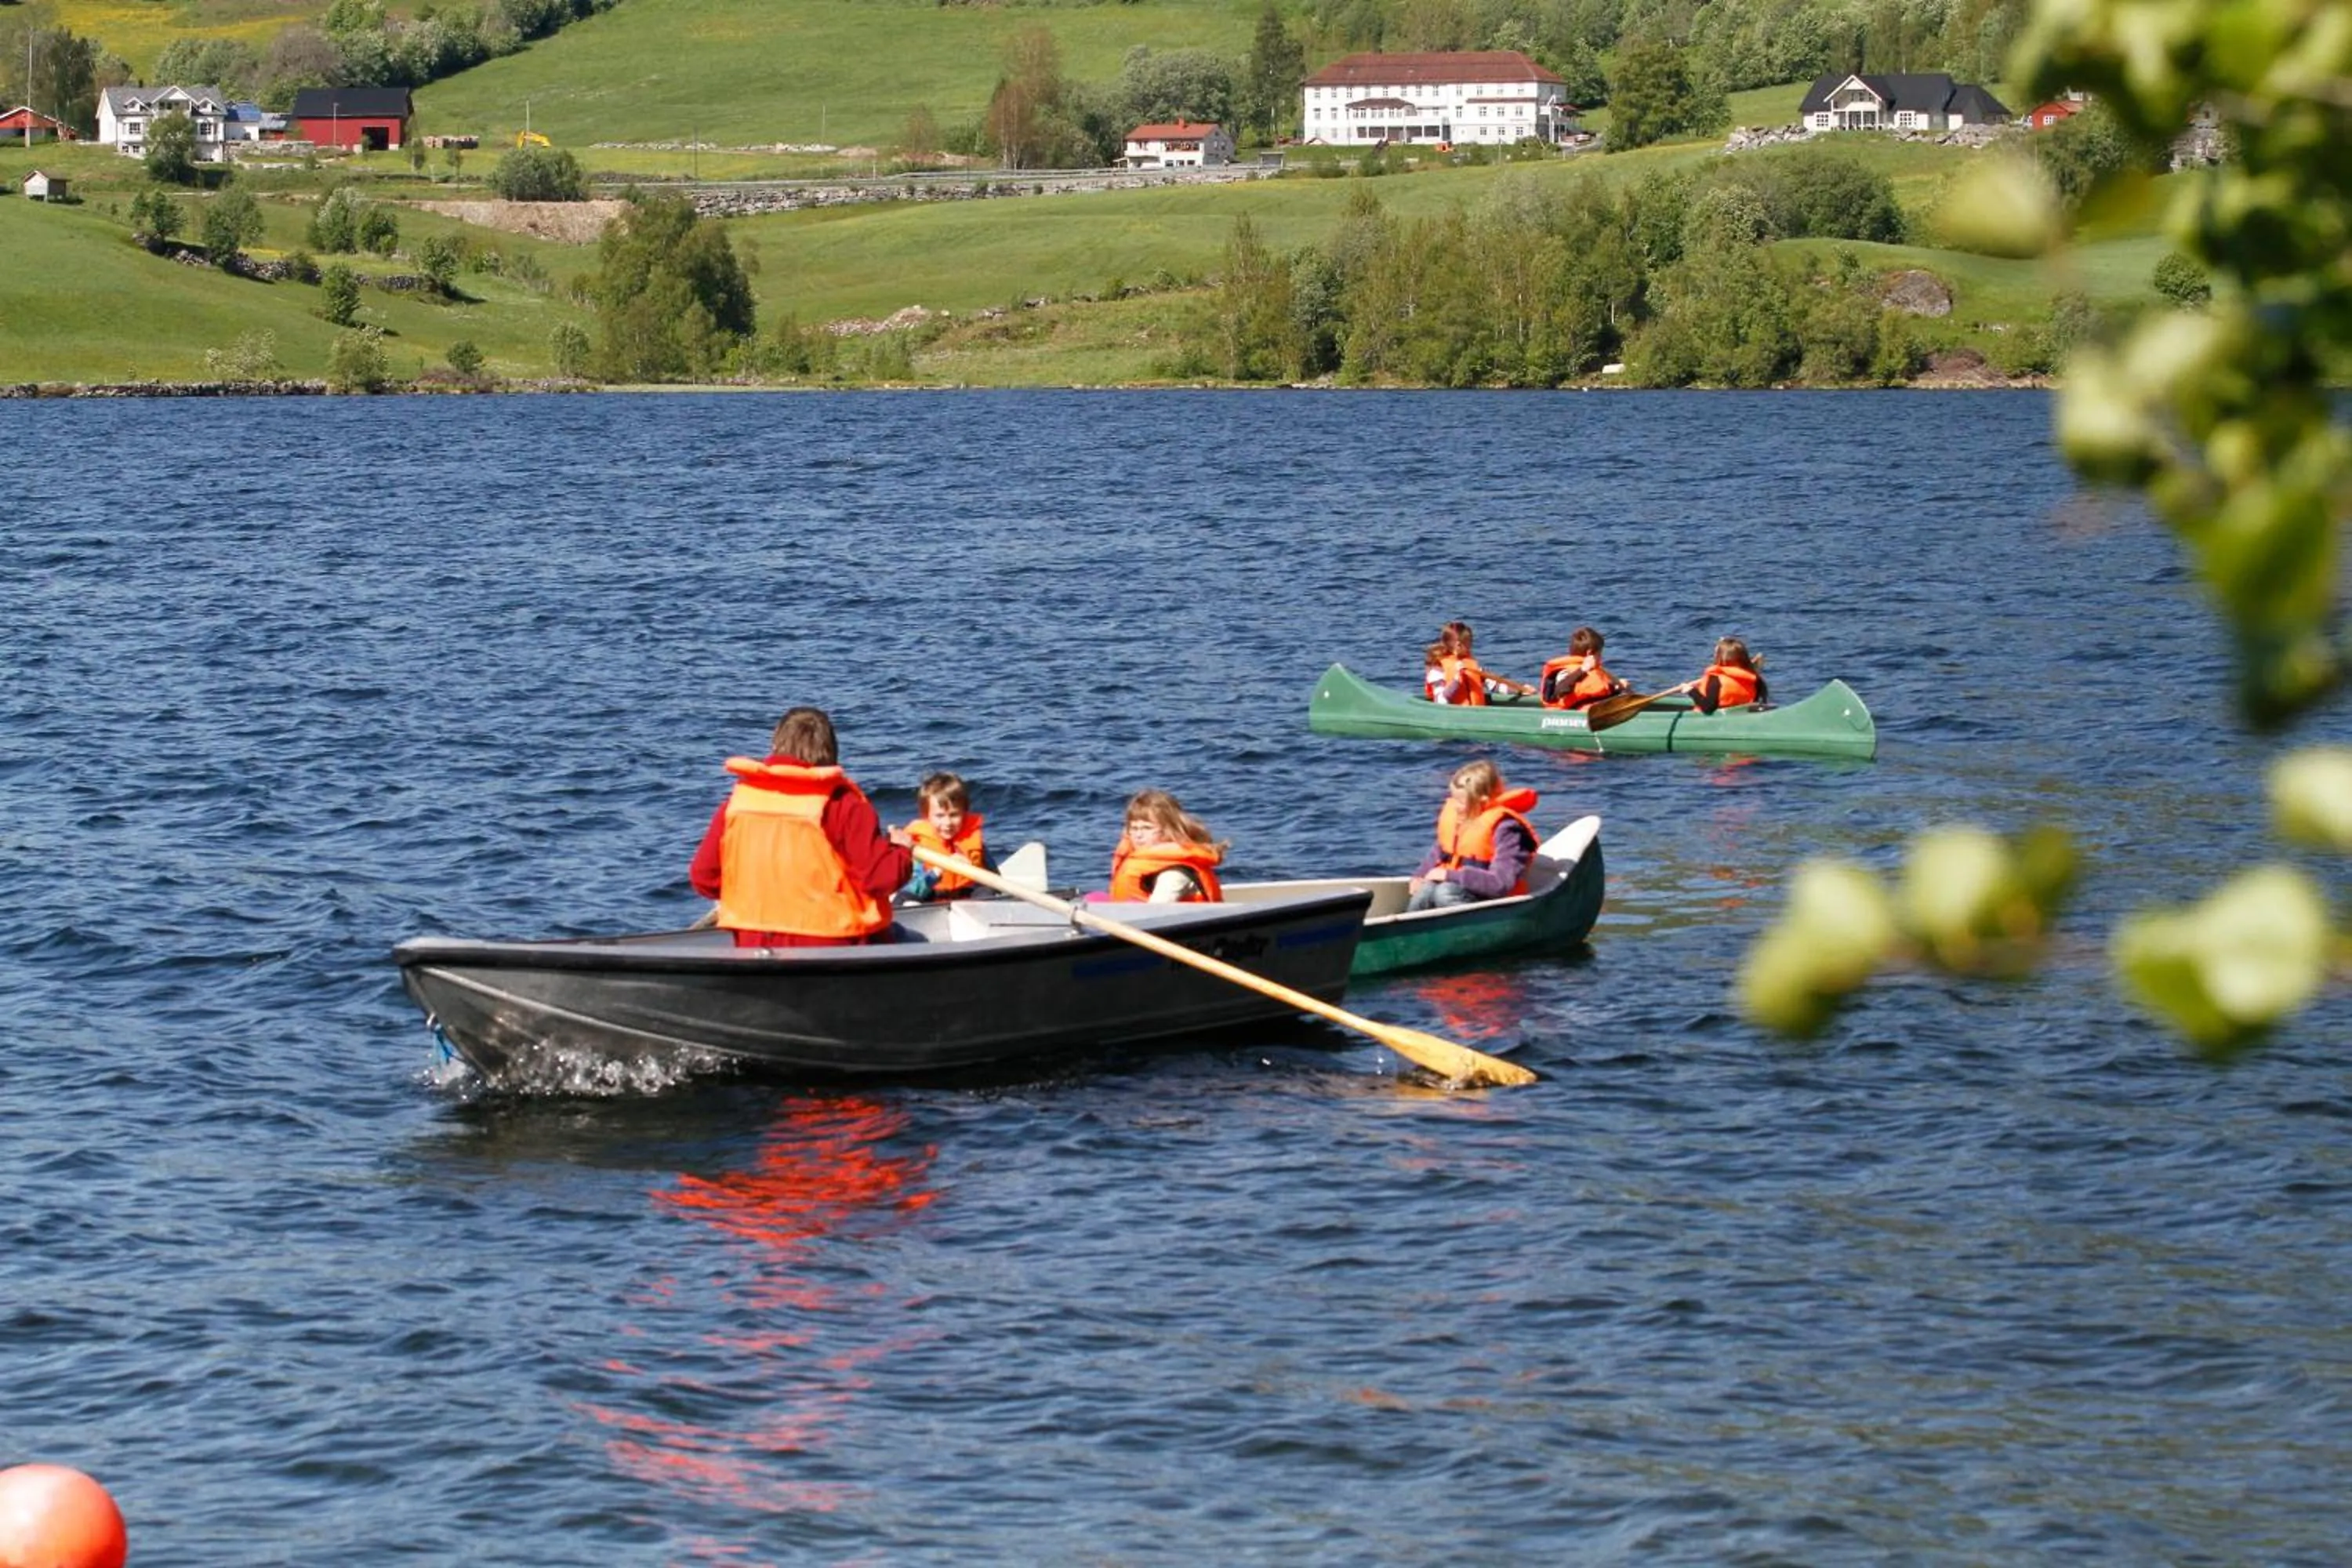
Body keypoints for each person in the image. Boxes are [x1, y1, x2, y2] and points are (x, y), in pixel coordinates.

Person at [688, 706, 913, 947]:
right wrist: (900, 850)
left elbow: (704, 879)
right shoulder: (843, 806)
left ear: (776, 745)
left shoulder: (736, 805)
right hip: (835, 948)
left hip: (755, 945)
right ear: (830, 752)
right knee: (914, 940)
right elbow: (881, 878)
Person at [1407, 760, 1538, 911]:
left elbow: (1501, 883)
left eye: (1461, 802)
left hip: (1497, 900)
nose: (1455, 807)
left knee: (1445, 893)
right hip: (1459, 887)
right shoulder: (1460, 821)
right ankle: (1405, 928)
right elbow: (1438, 852)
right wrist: (1419, 876)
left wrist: (1450, 876)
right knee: (1425, 889)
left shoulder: (1507, 829)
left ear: (1482, 801)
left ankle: (1471, 931)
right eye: (1453, 798)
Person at [1108, 788, 1226, 902]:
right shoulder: (1142, 860)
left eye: (1147, 828)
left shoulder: (1173, 875)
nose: (1138, 835)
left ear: (1168, 830)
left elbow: (1156, 912)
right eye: (1134, 828)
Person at [899, 771, 993, 902]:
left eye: (954, 815)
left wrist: (972, 869)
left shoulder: (974, 841)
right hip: (930, 899)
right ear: (927, 815)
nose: (947, 823)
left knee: (986, 888)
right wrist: (940, 869)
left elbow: (994, 878)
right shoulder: (918, 847)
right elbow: (911, 888)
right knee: (903, 899)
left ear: (964, 813)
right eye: (940, 816)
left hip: (966, 900)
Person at [1427, 619, 1534, 706]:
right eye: (1469, 643)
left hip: (1474, 714)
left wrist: (1519, 690)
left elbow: (1495, 686)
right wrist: (1456, 680)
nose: (1471, 647)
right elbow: (1441, 700)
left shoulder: (1472, 666)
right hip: (1454, 715)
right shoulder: (1438, 670)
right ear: (1459, 645)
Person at [1539, 626, 1628, 711]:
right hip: (1577, 716)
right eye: (1599, 654)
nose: (1601, 658)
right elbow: (1561, 690)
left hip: (1598, 709)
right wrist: (1582, 670)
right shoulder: (1566, 671)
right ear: (1590, 654)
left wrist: (1618, 688)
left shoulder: (1596, 670)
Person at [1672, 637, 1768, 714]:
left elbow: (1708, 708)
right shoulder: (1755, 680)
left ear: (1720, 657)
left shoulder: (1715, 678)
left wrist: (1691, 691)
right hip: (1740, 719)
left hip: (1713, 723)